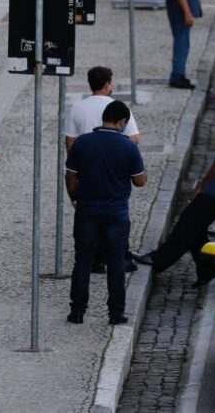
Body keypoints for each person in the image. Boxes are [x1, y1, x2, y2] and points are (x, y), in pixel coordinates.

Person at [132, 98, 215, 287]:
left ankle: (159, 259)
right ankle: (207, 270)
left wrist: (201, 185)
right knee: (196, 231)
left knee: (186, 226)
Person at [65, 101, 147, 325]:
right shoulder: (128, 146)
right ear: (122, 122)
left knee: (82, 260)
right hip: (116, 213)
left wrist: (75, 197)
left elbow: (70, 175)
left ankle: (78, 311)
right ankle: (115, 313)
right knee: (116, 262)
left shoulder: (83, 143)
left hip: (87, 210)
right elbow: (140, 180)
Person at [66, 66, 140, 275]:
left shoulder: (77, 108)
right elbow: (134, 138)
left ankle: (95, 260)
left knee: (89, 216)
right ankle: (120, 257)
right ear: (108, 85)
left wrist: (78, 162)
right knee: (117, 214)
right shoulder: (117, 107)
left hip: (87, 169)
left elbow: (70, 141)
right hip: (114, 169)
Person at [164, 0, 202, 89]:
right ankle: (177, 76)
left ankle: (180, 74)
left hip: (177, 12)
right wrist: (187, 12)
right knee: (181, 45)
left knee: (183, 44)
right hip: (179, 13)